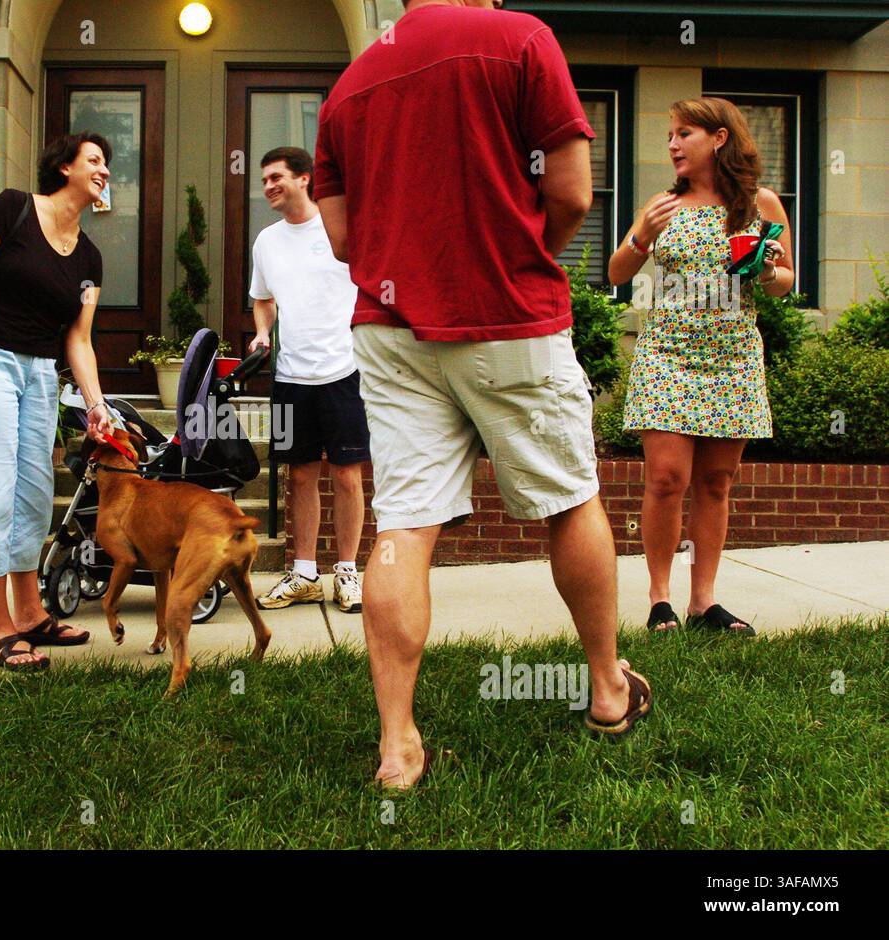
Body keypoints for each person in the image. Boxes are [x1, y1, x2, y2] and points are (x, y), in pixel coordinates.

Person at [315, 0, 652, 787]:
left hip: (391, 327)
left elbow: (340, 238)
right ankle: (607, 688)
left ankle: (398, 745)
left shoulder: (350, 85)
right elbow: (571, 192)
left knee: (402, 523)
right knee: (569, 500)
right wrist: (520, 259)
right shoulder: (520, 39)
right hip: (510, 317)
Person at [0, 132, 115, 671]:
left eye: (107, 164)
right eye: (95, 161)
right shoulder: (11, 209)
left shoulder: (90, 257)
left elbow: (78, 338)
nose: (104, 171)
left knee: (32, 495)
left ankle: (31, 614)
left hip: (39, 373)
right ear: (63, 167)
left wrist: (96, 403)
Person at [608, 97, 794, 637]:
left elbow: (785, 282)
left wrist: (764, 270)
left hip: (732, 355)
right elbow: (620, 271)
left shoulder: (760, 204)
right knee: (667, 479)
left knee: (716, 481)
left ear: (718, 139)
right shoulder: (662, 204)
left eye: (682, 133)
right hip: (669, 354)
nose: (671, 144)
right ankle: (660, 599)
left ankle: (704, 602)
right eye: (669, 134)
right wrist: (642, 231)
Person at [247, 146, 368, 614]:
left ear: (303, 179)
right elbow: (263, 298)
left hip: (345, 370)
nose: (268, 187)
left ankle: (347, 573)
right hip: (291, 376)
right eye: (263, 180)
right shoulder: (266, 242)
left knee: (348, 475)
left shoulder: (340, 227)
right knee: (299, 476)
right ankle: (303, 573)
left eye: (276, 177)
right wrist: (262, 332)